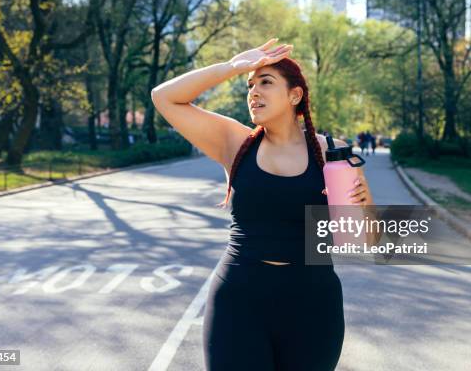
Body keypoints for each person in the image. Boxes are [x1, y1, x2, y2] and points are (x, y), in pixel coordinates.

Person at [152, 38, 374, 370]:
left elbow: (365, 238)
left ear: (294, 95)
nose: (254, 91)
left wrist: (363, 204)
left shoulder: (331, 151)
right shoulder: (235, 142)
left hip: (313, 304)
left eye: (266, 82)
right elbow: (164, 97)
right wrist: (231, 67)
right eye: (250, 85)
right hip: (239, 300)